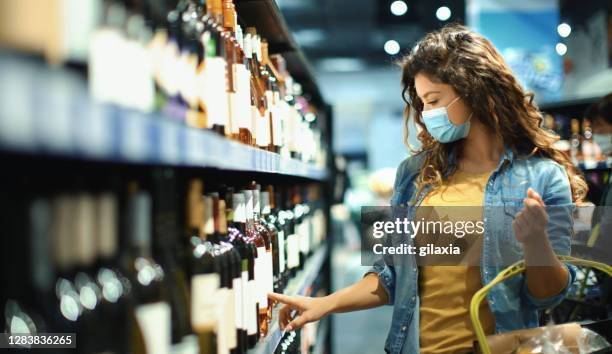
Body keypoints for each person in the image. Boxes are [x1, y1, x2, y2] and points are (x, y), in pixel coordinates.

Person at [269, 24, 587, 354]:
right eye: (421, 103)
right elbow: (390, 274)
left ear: (474, 90)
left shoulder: (542, 178)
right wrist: (324, 303)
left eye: (434, 100)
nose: (426, 113)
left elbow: (547, 295)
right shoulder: (415, 174)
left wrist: (535, 241)